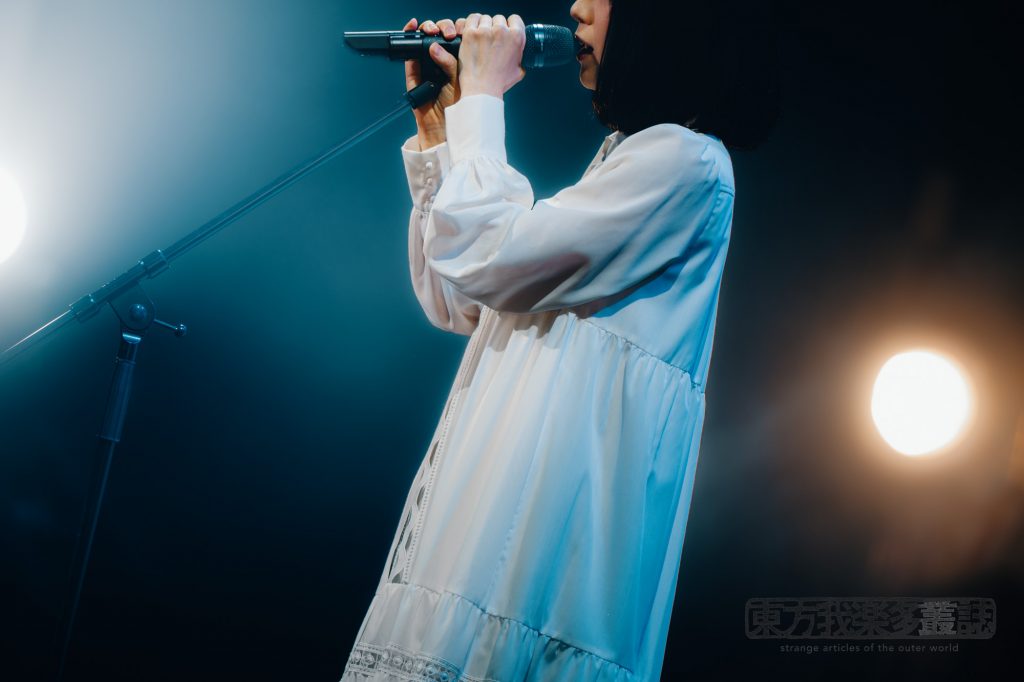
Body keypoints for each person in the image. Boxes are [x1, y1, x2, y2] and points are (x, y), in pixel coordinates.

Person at [340, 1, 778, 680]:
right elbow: (461, 297)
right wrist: (441, 126)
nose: (576, 6)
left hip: (539, 557)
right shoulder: (628, 157)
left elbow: (484, 253)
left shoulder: (686, 163)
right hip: (489, 521)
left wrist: (483, 100)